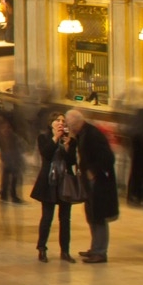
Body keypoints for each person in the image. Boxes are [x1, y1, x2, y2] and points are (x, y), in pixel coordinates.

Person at [34, 112, 80, 263]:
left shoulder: (70, 140)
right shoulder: (44, 138)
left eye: (63, 121)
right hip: (49, 182)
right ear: (51, 123)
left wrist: (67, 146)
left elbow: (72, 161)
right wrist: (55, 138)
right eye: (57, 120)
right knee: (47, 217)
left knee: (65, 219)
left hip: (64, 183)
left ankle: (65, 251)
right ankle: (42, 248)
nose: (61, 123)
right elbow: (46, 153)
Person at [74, 109, 118, 263]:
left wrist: (94, 172)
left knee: (98, 217)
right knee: (91, 215)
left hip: (98, 183)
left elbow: (108, 158)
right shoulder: (83, 133)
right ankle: (94, 248)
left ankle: (100, 251)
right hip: (90, 182)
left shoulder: (93, 135)